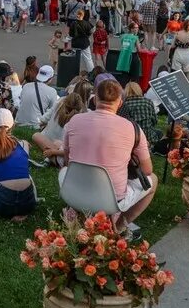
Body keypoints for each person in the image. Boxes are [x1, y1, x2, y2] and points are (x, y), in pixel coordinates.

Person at [61, 80, 159, 236]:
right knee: (152, 180)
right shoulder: (132, 128)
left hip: (73, 190)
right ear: (120, 102)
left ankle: (80, 217)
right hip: (111, 199)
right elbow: (147, 170)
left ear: (95, 99)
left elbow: (67, 161)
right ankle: (119, 228)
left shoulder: (74, 121)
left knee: (66, 170)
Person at [0, 109, 37, 221]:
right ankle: (20, 212)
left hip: (2, 201)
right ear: (13, 124)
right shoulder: (24, 144)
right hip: (27, 202)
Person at [33, 92, 86, 166]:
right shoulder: (82, 121)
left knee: (37, 136)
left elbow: (70, 150)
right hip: (72, 156)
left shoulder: (69, 125)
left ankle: (51, 160)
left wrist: (53, 152)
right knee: (57, 142)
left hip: (65, 160)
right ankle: (50, 159)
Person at [118, 82, 163, 146]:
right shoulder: (148, 102)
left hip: (132, 138)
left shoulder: (124, 104)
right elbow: (154, 121)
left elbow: (121, 124)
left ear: (126, 91)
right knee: (159, 133)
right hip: (149, 136)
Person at [15, 64, 59, 128]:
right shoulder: (52, 91)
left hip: (19, 123)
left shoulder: (26, 86)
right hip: (36, 126)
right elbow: (52, 112)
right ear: (50, 78)